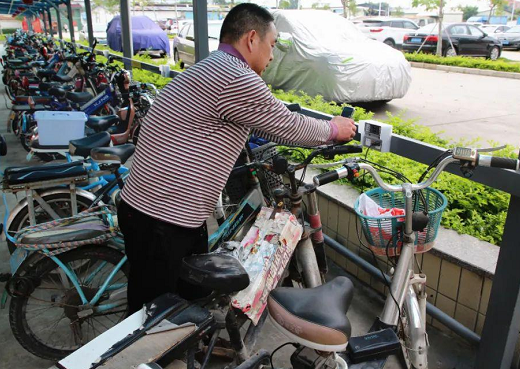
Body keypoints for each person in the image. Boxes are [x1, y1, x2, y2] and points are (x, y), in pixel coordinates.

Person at [118, 3, 356, 315]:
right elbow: (287, 126)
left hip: (156, 210)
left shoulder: (212, 66)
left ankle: (186, 346)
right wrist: (333, 128)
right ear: (252, 39)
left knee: (179, 302)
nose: (271, 57)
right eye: (272, 46)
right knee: (153, 317)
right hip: (164, 218)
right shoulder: (236, 76)